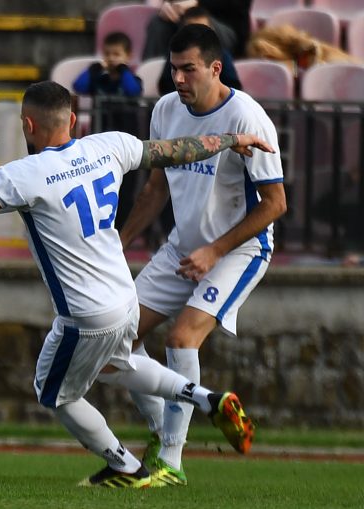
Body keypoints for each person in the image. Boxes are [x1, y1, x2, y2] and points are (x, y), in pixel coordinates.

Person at [0, 80, 271, 488]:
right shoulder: (108, 145)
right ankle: (208, 399)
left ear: (28, 125)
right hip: (125, 299)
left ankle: (124, 465)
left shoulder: (24, 174)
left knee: (53, 392)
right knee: (116, 366)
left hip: (85, 314)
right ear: (73, 121)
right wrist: (231, 139)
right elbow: (175, 150)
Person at [108, 24, 287, 487]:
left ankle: (171, 462)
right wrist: (118, 244)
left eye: (188, 69)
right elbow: (155, 189)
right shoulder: (166, 109)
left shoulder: (247, 117)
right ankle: (162, 431)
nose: (179, 79)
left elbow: (275, 204)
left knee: (181, 338)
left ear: (215, 68)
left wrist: (215, 250)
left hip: (239, 250)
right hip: (183, 249)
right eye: (174, 69)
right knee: (112, 343)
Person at [72, 31, 143, 231]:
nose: (111, 59)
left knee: (125, 188)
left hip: (125, 142)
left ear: (128, 56)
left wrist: (123, 70)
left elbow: (133, 91)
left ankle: (122, 229)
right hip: (100, 140)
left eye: (117, 54)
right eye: (108, 54)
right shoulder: (99, 80)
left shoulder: (133, 79)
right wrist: (93, 70)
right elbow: (78, 86)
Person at [157, 6, 242, 96]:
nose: (178, 79)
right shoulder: (175, 56)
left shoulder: (222, 55)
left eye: (203, 30)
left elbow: (234, 86)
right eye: (192, 32)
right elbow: (165, 86)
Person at [142, 0, 252, 61]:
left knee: (197, 22)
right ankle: (151, 80)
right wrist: (168, 6)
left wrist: (199, 2)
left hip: (226, 26)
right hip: (184, 15)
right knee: (159, 22)